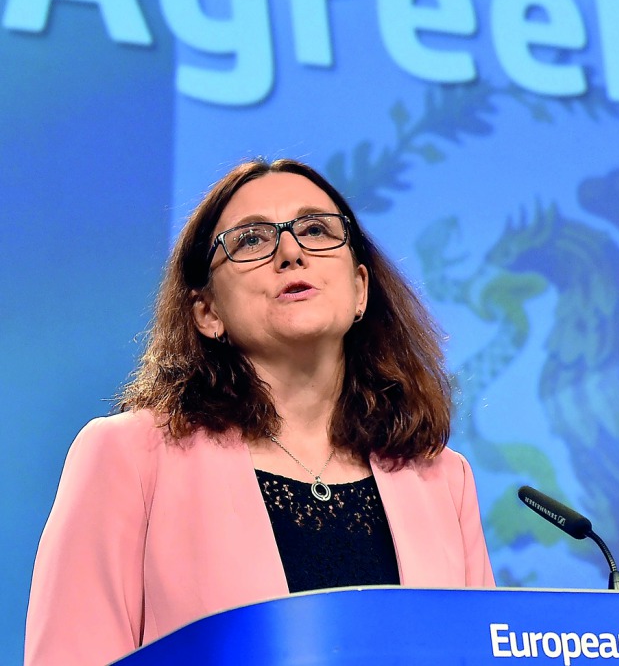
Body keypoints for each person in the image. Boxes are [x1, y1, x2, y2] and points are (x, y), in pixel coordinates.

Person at [25, 159, 495, 666]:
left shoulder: (443, 480)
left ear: (360, 289)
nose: (291, 252)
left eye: (316, 229)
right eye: (251, 240)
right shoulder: (128, 456)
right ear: (207, 312)